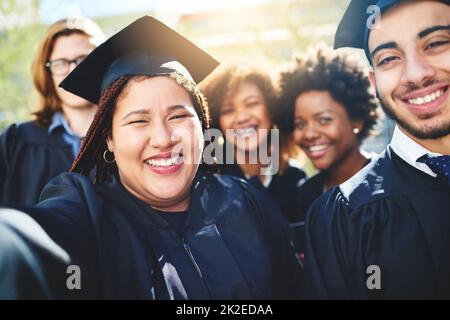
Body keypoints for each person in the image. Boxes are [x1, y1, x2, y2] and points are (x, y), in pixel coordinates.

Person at [19, 16, 301, 299]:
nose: (163, 138)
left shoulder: (246, 201)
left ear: (202, 126)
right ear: (109, 138)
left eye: (178, 116)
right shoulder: (88, 216)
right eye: (138, 121)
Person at [302, 0, 450, 299]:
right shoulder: (343, 215)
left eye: (435, 43)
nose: (416, 74)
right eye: (389, 59)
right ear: (374, 82)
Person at [277, 48, 379, 255]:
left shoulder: (391, 185)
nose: (310, 134)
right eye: (300, 124)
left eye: (324, 120)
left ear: (356, 119)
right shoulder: (304, 196)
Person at [0, 17, 105, 205]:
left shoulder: (129, 138)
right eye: (60, 63)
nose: (74, 71)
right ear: (47, 74)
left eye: (84, 59)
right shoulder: (15, 143)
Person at [200, 65, 306, 222]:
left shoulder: (295, 178)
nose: (242, 117)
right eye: (228, 110)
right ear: (217, 121)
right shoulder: (208, 182)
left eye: (251, 103)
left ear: (272, 109)